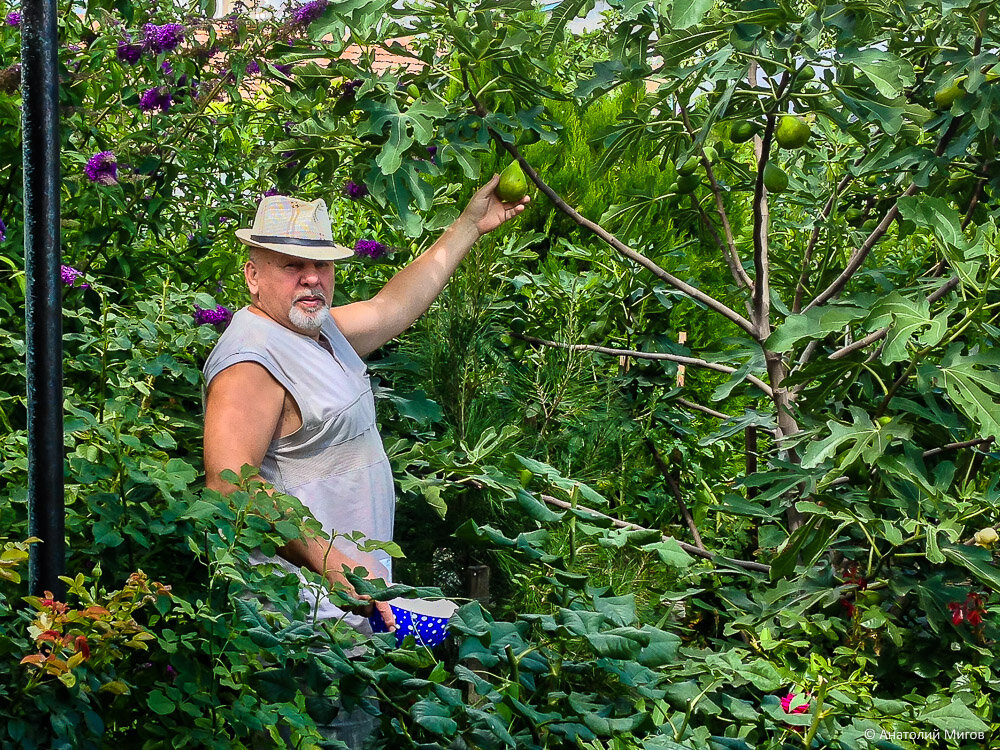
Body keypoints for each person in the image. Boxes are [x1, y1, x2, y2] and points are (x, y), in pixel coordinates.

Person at [201, 176, 528, 634]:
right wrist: (334, 562)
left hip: (352, 606)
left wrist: (469, 226)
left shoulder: (315, 329)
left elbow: (391, 305)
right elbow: (231, 486)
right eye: (293, 265)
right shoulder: (252, 360)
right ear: (253, 275)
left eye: (322, 264)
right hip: (301, 620)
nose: (312, 277)